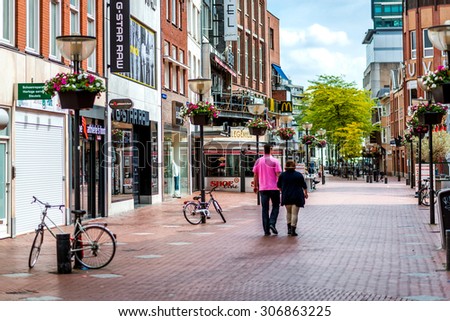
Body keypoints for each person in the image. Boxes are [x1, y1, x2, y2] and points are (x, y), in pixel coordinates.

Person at [253, 144, 282, 236]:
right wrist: (281, 186)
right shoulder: (275, 161)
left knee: (265, 209)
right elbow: (278, 174)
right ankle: (272, 223)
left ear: (263, 150)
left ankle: (266, 230)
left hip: (263, 188)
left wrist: (255, 186)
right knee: (276, 206)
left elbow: (255, 175)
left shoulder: (258, 161)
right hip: (274, 188)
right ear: (271, 150)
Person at [277, 160, 308, 236]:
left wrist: (284, 191)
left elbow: (279, 186)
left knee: (288, 212)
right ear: (294, 166)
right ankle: (293, 230)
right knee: (294, 214)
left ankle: (289, 229)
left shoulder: (282, 175)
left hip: (286, 196)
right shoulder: (298, 175)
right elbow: (304, 186)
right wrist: (305, 194)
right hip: (297, 196)